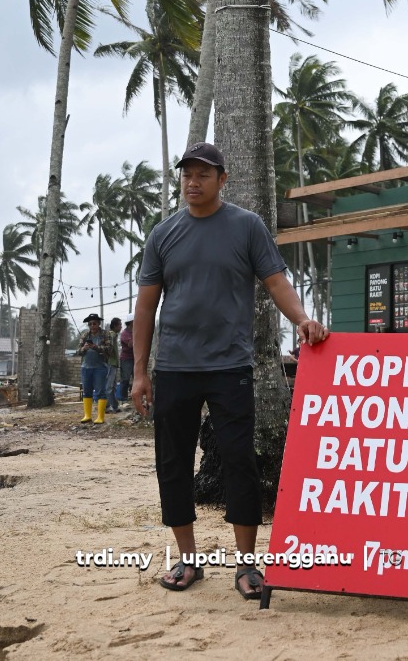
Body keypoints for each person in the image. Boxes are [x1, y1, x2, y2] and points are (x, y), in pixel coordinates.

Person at [129, 141, 327, 600]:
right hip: (174, 368)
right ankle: (188, 560)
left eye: (203, 174)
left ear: (222, 179)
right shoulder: (163, 234)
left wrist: (302, 319)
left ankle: (246, 564)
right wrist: (140, 372)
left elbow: (275, 281)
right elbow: (146, 306)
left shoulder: (246, 226)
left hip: (230, 366)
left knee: (240, 461)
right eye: (187, 174)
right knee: (172, 464)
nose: (193, 182)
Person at [76, 313, 112, 424]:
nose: (92, 326)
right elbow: (78, 351)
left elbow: (109, 350)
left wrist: (96, 347)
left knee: (101, 391)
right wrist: (84, 348)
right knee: (86, 391)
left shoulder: (105, 334)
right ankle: (87, 416)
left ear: (99, 323)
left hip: (100, 367)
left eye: (94, 323)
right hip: (86, 367)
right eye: (90, 324)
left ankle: (100, 417)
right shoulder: (85, 335)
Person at [106, 316, 124, 406]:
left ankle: (114, 405)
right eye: (120, 325)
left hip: (113, 363)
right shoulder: (112, 335)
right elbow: (108, 349)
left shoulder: (113, 335)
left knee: (113, 386)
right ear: (115, 326)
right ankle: (107, 406)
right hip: (111, 363)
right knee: (109, 386)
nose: (121, 327)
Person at [117, 317, 134, 404]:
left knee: (136, 378)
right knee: (125, 379)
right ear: (131, 322)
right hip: (126, 359)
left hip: (135, 358)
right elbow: (131, 344)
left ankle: (134, 396)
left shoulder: (135, 331)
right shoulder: (124, 333)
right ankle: (123, 398)